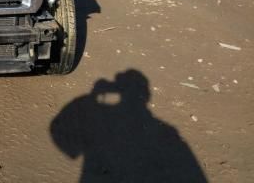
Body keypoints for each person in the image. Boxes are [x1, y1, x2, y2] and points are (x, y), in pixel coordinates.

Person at [50, 69, 207, 182]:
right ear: (146, 94)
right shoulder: (168, 132)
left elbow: (58, 127)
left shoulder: (90, 105)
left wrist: (74, 152)